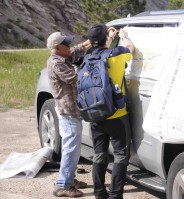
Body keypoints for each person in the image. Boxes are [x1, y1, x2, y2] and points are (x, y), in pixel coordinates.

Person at [86, 23, 135, 199]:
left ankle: (99, 193)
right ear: (106, 38)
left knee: (99, 155)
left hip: (95, 114)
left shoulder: (86, 58)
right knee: (121, 156)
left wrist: (108, 38)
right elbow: (131, 49)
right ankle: (115, 195)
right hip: (117, 115)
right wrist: (123, 35)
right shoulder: (117, 54)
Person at [46, 32, 92, 197]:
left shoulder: (62, 57)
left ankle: (69, 180)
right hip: (68, 112)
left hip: (71, 111)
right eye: (66, 44)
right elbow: (77, 78)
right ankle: (63, 184)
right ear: (58, 48)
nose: (70, 46)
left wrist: (93, 40)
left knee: (73, 148)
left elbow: (77, 51)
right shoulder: (56, 64)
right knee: (71, 149)